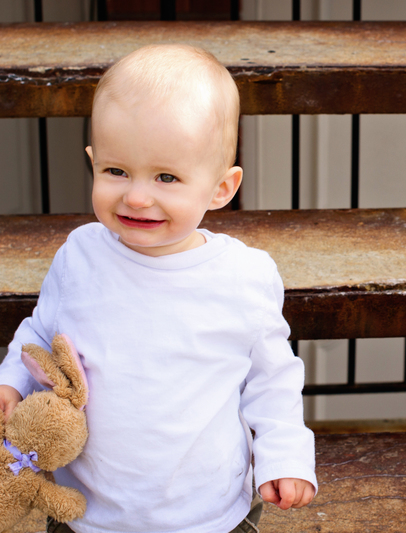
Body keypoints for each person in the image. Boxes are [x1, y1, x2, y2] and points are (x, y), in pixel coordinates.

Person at [0, 44, 316, 533]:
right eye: (116, 171)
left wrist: (286, 456)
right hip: (89, 508)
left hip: (207, 512)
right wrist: (12, 382)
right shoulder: (81, 255)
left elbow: (272, 380)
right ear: (93, 161)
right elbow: (41, 333)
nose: (137, 195)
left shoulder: (241, 276)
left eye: (166, 176)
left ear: (221, 188)